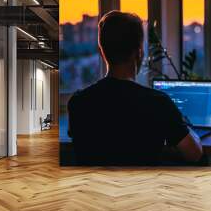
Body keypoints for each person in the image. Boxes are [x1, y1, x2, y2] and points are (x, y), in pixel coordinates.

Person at [68, 11, 202, 165]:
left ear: (101, 52)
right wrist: (184, 124)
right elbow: (194, 154)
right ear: (139, 52)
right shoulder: (158, 103)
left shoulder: (78, 102)